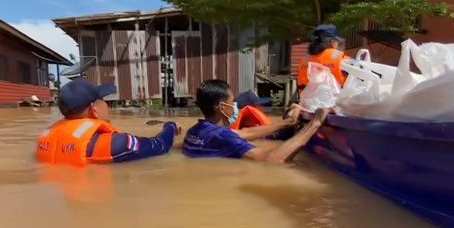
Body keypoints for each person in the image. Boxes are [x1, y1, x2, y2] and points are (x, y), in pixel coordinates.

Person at [36, 78, 181, 166]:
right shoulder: (117, 144)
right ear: (94, 109)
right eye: (104, 100)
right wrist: (170, 127)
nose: (107, 105)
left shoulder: (45, 140)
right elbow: (161, 146)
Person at [182, 79, 330, 163]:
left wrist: (288, 122)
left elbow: (244, 133)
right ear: (222, 107)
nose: (235, 105)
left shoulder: (196, 131)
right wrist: (315, 123)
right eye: (232, 101)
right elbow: (271, 159)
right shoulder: (222, 136)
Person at [297, 24, 351, 91]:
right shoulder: (341, 58)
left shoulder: (304, 60)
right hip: (336, 100)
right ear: (333, 42)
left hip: (308, 100)